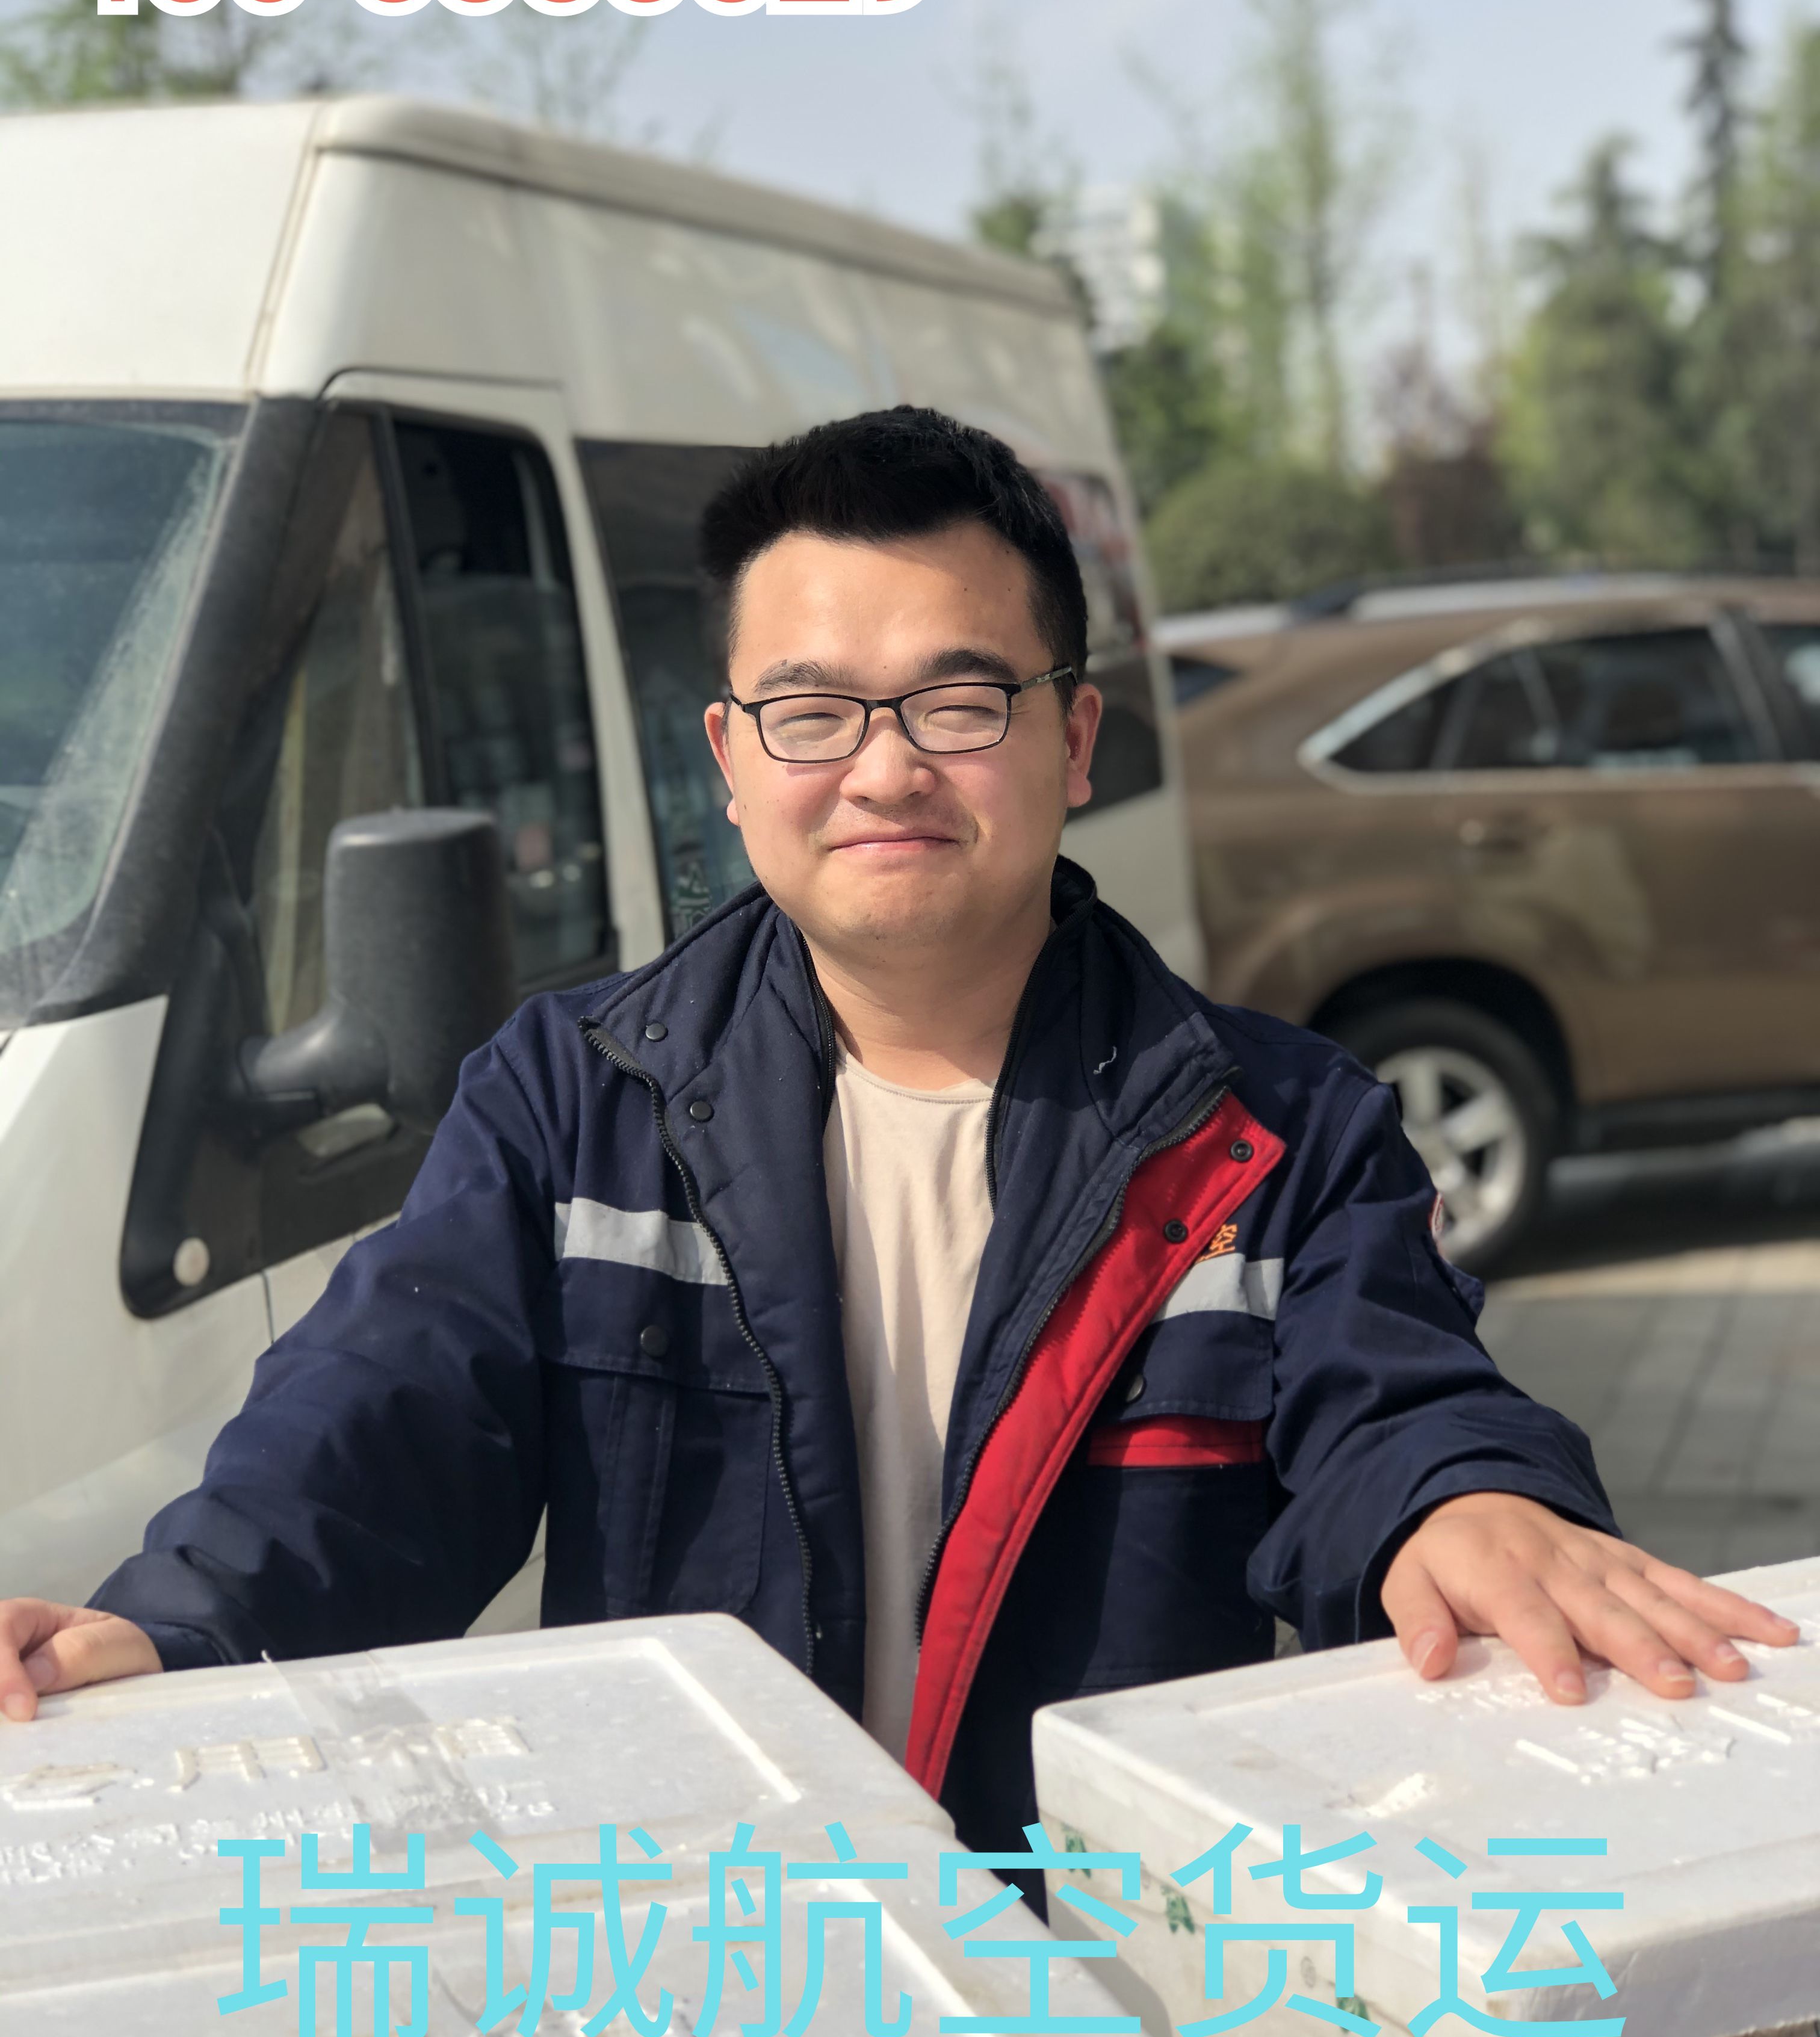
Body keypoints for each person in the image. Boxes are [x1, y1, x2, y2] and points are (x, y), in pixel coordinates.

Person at [0, 406, 1794, 1857]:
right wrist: (160, 1627)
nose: (883, 768)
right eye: (813, 712)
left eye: (959, 700)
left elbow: (1391, 1401)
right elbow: (371, 1433)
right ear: (729, 760)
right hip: (717, 1958)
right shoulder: (573, 1103)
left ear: (1074, 739)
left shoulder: (1279, 1133)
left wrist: (1464, 1503)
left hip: (1107, 1971)